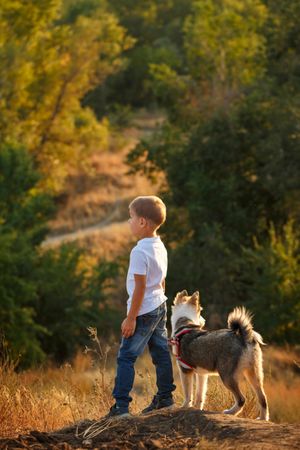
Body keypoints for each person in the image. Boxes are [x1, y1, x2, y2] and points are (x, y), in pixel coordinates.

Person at [107, 195, 176, 418]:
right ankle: (166, 398)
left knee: (126, 357)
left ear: (143, 222)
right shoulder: (160, 245)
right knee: (161, 353)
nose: (129, 222)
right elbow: (162, 279)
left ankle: (121, 408)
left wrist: (131, 318)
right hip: (160, 305)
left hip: (143, 311)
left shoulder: (139, 251)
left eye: (131, 218)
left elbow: (140, 288)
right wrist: (161, 297)